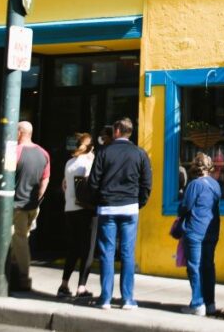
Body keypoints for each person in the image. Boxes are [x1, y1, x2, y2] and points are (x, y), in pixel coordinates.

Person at [88, 117, 152, 310]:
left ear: (116, 131)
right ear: (129, 132)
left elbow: (93, 182)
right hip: (130, 207)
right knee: (127, 253)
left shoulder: (104, 152)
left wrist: (98, 200)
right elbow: (147, 183)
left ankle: (105, 298)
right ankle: (127, 298)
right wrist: (139, 203)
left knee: (107, 253)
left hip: (107, 207)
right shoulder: (140, 153)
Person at [179, 152, 222, 316]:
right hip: (212, 230)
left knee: (194, 267)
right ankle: (210, 303)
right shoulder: (215, 184)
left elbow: (185, 206)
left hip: (195, 230)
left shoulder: (194, 184)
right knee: (208, 266)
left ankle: (197, 303)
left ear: (195, 166)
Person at [11, 121, 50, 292]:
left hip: (17, 204)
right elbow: (45, 178)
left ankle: (23, 277)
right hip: (33, 205)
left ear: (20, 132)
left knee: (19, 240)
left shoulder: (15, 152)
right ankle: (13, 273)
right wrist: (38, 197)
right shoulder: (43, 154)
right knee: (19, 239)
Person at [59, 132, 95, 299]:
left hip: (69, 208)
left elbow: (65, 184)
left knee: (73, 247)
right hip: (85, 209)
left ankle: (64, 283)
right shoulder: (87, 163)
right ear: (91, 148)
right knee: (87, 248)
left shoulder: (69, 163)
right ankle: (81, 286)